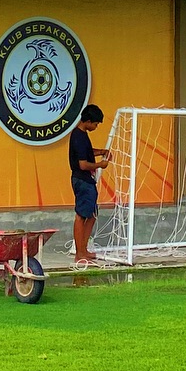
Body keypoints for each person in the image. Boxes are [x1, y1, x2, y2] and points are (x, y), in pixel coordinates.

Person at [68, 104, 111, 269]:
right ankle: (79, 254)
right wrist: (101, 164)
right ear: (87, 121)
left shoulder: (82, 135)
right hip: (82, 180)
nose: (96, 127)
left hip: (87, 181)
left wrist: (101, 151)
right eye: (95, 124)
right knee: (81, 215)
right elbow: (83, 164)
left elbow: (86, 152)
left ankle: (84, 250)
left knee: (91, 215)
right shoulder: (78, 137)